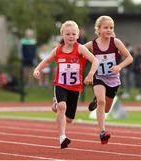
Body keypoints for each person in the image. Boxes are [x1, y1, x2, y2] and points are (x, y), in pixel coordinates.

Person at [33, 20, 99, 149]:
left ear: (78, 35)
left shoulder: (80, 48)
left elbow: (95, 60)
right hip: (60, 85)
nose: (71, 37)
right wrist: (37, 69)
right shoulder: (58, 50)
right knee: (62, 107)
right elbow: (46, 61)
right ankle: (62, 137)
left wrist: (90, 74)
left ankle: (55, 106)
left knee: (69, 119)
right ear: (62, 34)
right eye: (68, 34)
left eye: (74, 34)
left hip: (75, 88)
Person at [85, 16, 133, 144]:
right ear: (98, 29)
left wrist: (119, 66)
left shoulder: (116, 42)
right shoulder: (92, 45)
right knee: (101, 102)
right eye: (106, 27)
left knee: (106, 109)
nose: (109, 30)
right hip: (99, 77)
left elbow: (129, 58)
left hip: (113, 79)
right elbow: (78, 51)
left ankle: (96, 100)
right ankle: (102, 131)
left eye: (111, 27)